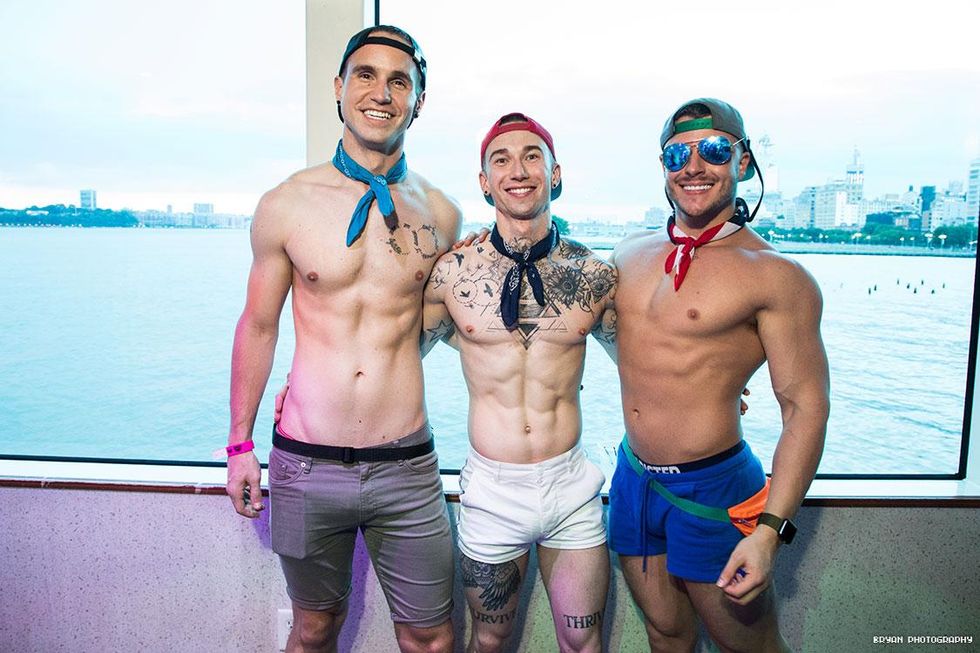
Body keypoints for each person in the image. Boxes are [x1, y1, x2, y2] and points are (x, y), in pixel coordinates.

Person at [225, 25, 465, 653]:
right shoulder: (286, 203)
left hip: (406, 465)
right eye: (365, 75)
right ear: (338, 87)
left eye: (399, 81)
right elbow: (258, 325)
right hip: (304, 461)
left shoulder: (442, 214)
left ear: (418, 100)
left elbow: (438, 323)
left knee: (432, 638)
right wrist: (240, 444)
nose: (381, 93)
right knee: (312, 630)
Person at [608, 98, 830, 652]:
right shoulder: (629, 253)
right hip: (634, 477)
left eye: (712, 150)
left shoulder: (776, 276)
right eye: (676, 154)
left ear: (743, 161)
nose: (693, 166)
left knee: (750, 647)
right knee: (666, 634)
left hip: (713, 490)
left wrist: (769, 532)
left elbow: (806, 408)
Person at [420, 113, 617, 653]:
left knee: (584, 643)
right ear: (484, 181)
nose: (519, 170)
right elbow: (394, 354)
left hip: (571, 486)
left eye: (533, 156)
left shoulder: (594, 275)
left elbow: (644, 365)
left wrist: (719, 390)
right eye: (501, 160)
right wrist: (305, 384)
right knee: (489, 640)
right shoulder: (453, 273)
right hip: (492, 489)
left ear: (556, 174)